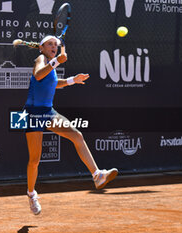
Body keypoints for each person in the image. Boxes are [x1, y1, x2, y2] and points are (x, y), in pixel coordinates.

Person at [13, 36, 118, 215]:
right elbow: (38, 75)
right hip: (31, 113)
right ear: (42, 48)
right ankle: (31, 194)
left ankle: (97, 175)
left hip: (48, 111)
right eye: (50, 44)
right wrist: (55, 62)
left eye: (56, 44)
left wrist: (72, 80)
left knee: (77, 135)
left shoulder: (51, 64)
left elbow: (53, 84)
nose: (54, 46)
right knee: (35, 160)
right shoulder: (41, 60)